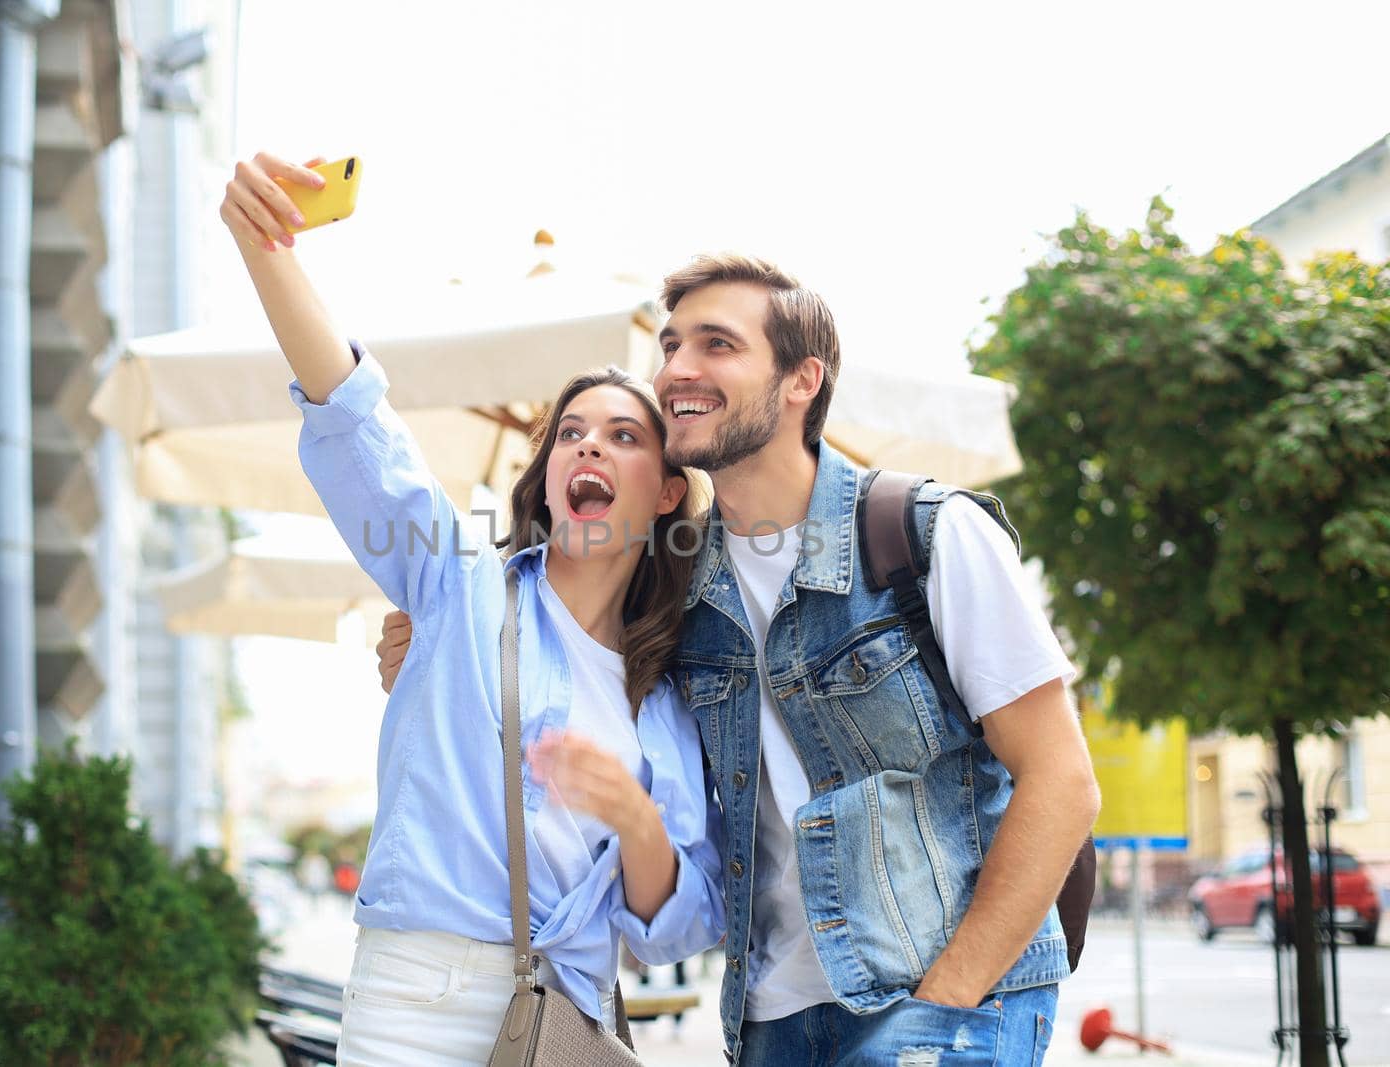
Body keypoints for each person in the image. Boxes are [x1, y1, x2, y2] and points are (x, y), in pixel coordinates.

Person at [378, 254, 1101, 1065]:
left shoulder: (923, 533)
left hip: (935, 1005)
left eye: (716, 344)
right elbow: (580, 677)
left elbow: (1062, 780)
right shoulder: (680, 592)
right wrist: (432, 655)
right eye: (672, 343)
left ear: (802, 380)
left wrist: (951, 993)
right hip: (770, 1021)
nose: (677, 369)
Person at [220, 152, 725, 1067]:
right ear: (548, 473)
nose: (590, 449)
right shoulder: (458, 586)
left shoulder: (665, 694)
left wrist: (637, 820)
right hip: (413, 997)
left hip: (563, 1016)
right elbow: (359, 425)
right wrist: (269, 253)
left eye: (622, 436)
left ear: (663, 493)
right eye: (571, 433)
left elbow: (675, 924)